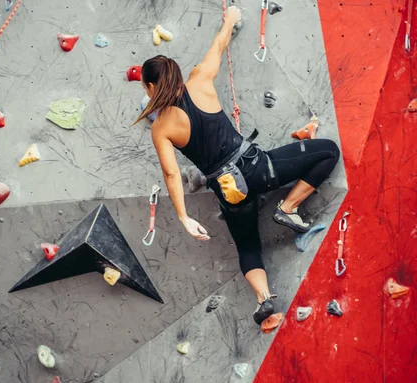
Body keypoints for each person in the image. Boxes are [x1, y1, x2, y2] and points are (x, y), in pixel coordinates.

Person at [134, 6, 340, 325]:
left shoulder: (161, 127)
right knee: (327, 151)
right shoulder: (199, 79)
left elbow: (171, 173)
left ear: (149, 87)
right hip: (258, 167)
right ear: (176, 73)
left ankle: (264, 298)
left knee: (247, 244)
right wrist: (231, 18)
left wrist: (184, 217)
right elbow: (219, 45)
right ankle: (288, 207)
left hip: (229, 191)